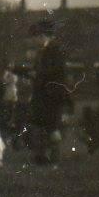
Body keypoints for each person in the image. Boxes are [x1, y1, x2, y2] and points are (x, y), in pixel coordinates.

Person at [29, 20, 67, 164]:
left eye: (36, 37)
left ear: (43, 36)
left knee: (52, 127)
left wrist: (38, 74)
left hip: (53, 95)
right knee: (40, 126)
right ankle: (42, 157)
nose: (34, 40)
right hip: (41, 95)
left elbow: (56, 71)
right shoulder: (42, 51)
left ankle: (55, 160)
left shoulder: (56, 50)